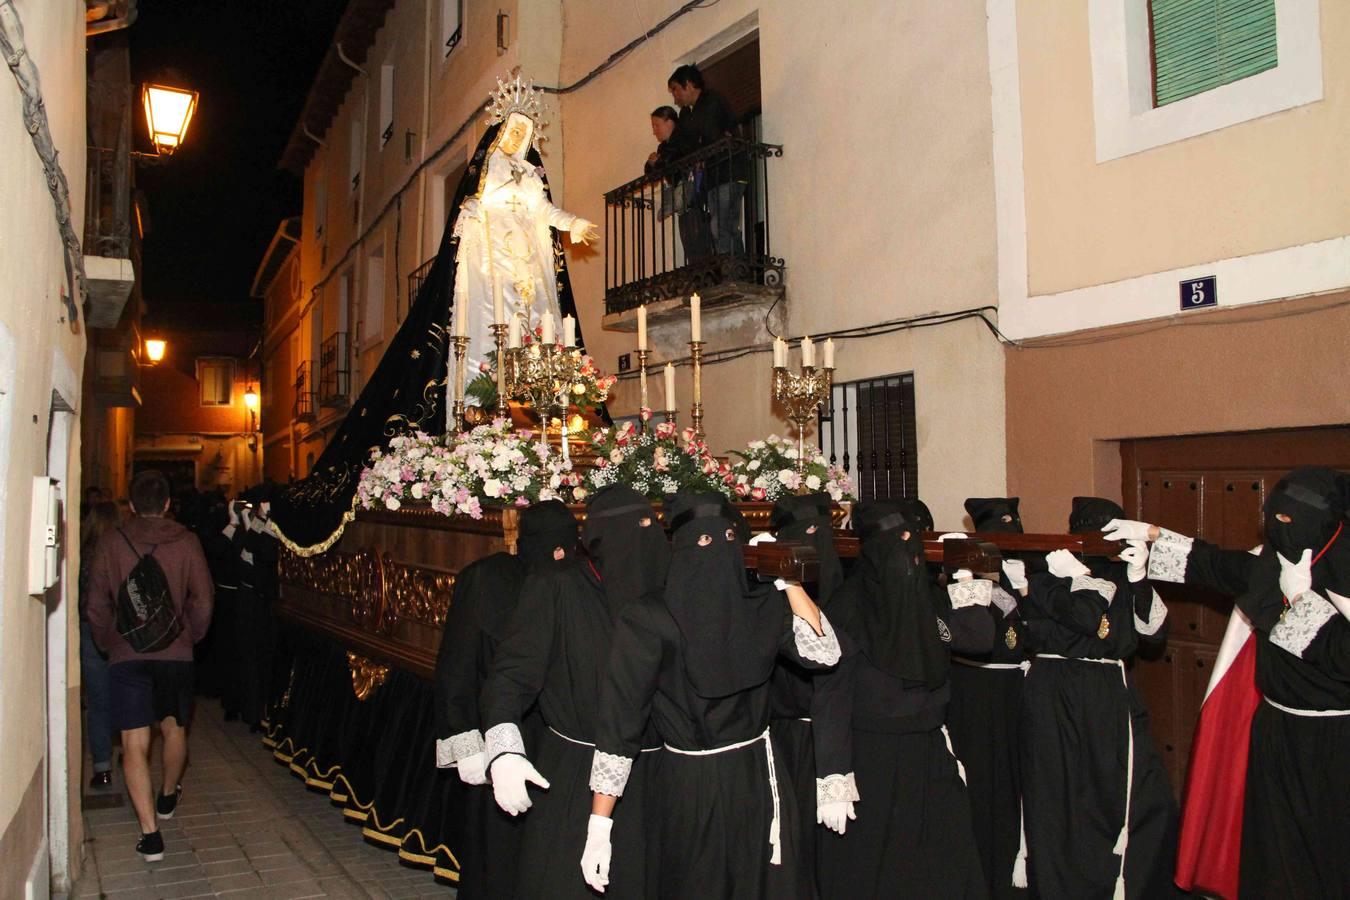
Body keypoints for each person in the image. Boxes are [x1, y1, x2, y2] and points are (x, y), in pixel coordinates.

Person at [1107, 466, 1350, 899]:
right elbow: (1218, 565)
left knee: (1328, 853)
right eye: (1274, 516)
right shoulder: (1276, 559)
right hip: (1276, 731)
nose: (1279, 527)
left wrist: (1299, 598)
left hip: (1335, 740)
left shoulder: (1344, 568)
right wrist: (1151, 537)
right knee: (1272, 850)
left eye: (1291, 519)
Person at [586, 491, 840, 899]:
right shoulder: (650, 617)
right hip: (692, 789)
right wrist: (600, 824)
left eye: (726, 538)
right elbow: (620, 724)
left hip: (760, 781)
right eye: (703, 541)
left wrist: (787, 580)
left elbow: (825, 651)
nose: (716, 548)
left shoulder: (761, 606)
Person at [480, 489, 669, 898]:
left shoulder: (670, 588)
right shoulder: (557, 586)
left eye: (645, 527)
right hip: (576, 774)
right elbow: (511, 675)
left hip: (660, 774)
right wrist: (504, 748)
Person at [812, 500, 992, 898]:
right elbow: (831, 696)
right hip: (871, 759)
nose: (906, 554)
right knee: (877, 871)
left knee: (942, 865)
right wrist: (833, 776)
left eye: (913, 542)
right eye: (897, 543)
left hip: (927, 752)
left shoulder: (927, 597)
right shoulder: (848, 606)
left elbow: (979, 640)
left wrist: (964, 580)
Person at [1018, 497, 1177, 899]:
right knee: (1059, 796)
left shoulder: (1124, 574)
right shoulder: (1050, 570)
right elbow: (1041, 630)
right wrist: (1070, 588)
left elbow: (1151, 635)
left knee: (1136, 791)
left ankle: (1128, 882)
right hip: (1056, 694)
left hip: (1107, 695)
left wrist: (1139, 578)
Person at [433, 500, 581, 898]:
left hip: (562, 746)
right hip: (499, 738)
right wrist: (465, 742)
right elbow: (458, 666)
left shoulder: (581, 578)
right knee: (499, 857)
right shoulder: (486, 579)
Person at [86, 469, 214, 862]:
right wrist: (189, 634)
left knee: (133, 744)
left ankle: (150, 835)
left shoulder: (111, 541)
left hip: (128, 656)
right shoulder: (187, 541)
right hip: (175, 654)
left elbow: (96, 603)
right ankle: (167, 794)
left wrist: (111, 642)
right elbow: (204, 597)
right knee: (175, 729)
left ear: (129, 504)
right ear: (167, 504)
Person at [452, 105, 597, 379]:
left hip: (529, 253)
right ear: (501, 133)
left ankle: (540, 382)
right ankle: (492, 380)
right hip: (494, 248)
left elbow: (544, 209)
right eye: (513, 131)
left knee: (536, 311)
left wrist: (572, 223)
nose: (517, 137)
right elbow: (473, 199)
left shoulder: (530, 174)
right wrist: (470, 208)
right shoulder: (489, 167)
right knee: (498, 309)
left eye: (523, 133)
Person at [947, 497, 1030, 898]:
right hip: (975, 693)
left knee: (1015, 784)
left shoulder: (1024, 576)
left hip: (1014, 691)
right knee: (979, 784)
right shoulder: (959, 580)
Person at [762, 492, 844, 886]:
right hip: (788, 733)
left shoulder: (846, 590)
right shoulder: (770, 593)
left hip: (838, 732)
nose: (816, 544)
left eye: (822, 534)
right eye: (806, 534)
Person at [667, 64, 745, 259]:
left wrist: (698, 151)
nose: (675, 97)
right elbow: (680, 144)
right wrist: (658, 162)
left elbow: (709, 135)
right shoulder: (688, 114)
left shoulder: (712, 102)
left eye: (676, 89)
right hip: (715, 176)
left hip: (728, 172)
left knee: (721, 226)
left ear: (689, 85)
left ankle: (733, 271)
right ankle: (736, 268)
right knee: (723, 225)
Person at [79, 500, 122, 789]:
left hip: (90, 630)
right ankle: (129, 750)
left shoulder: (82, 556)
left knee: (98, 702)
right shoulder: (123, 552)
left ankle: (102, 766)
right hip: (122, 632)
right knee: (126, 695)